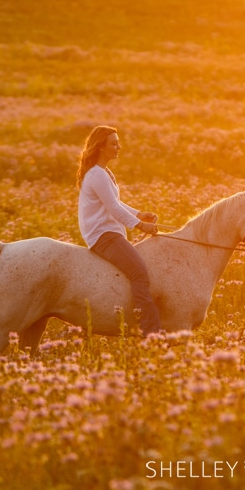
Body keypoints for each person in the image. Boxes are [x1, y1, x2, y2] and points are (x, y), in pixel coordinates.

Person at [76, 125, 162, 337]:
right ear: (101, 147)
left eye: (118, 142)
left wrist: (139, 214)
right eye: (113, 143)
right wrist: (141, 226)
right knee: (139, 273)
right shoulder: (97, 175)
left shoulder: (104, 172)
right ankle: (151, 332)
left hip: (108, 233)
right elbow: (114, 209)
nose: (118, 147)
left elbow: (114, 202)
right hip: (103, 235)